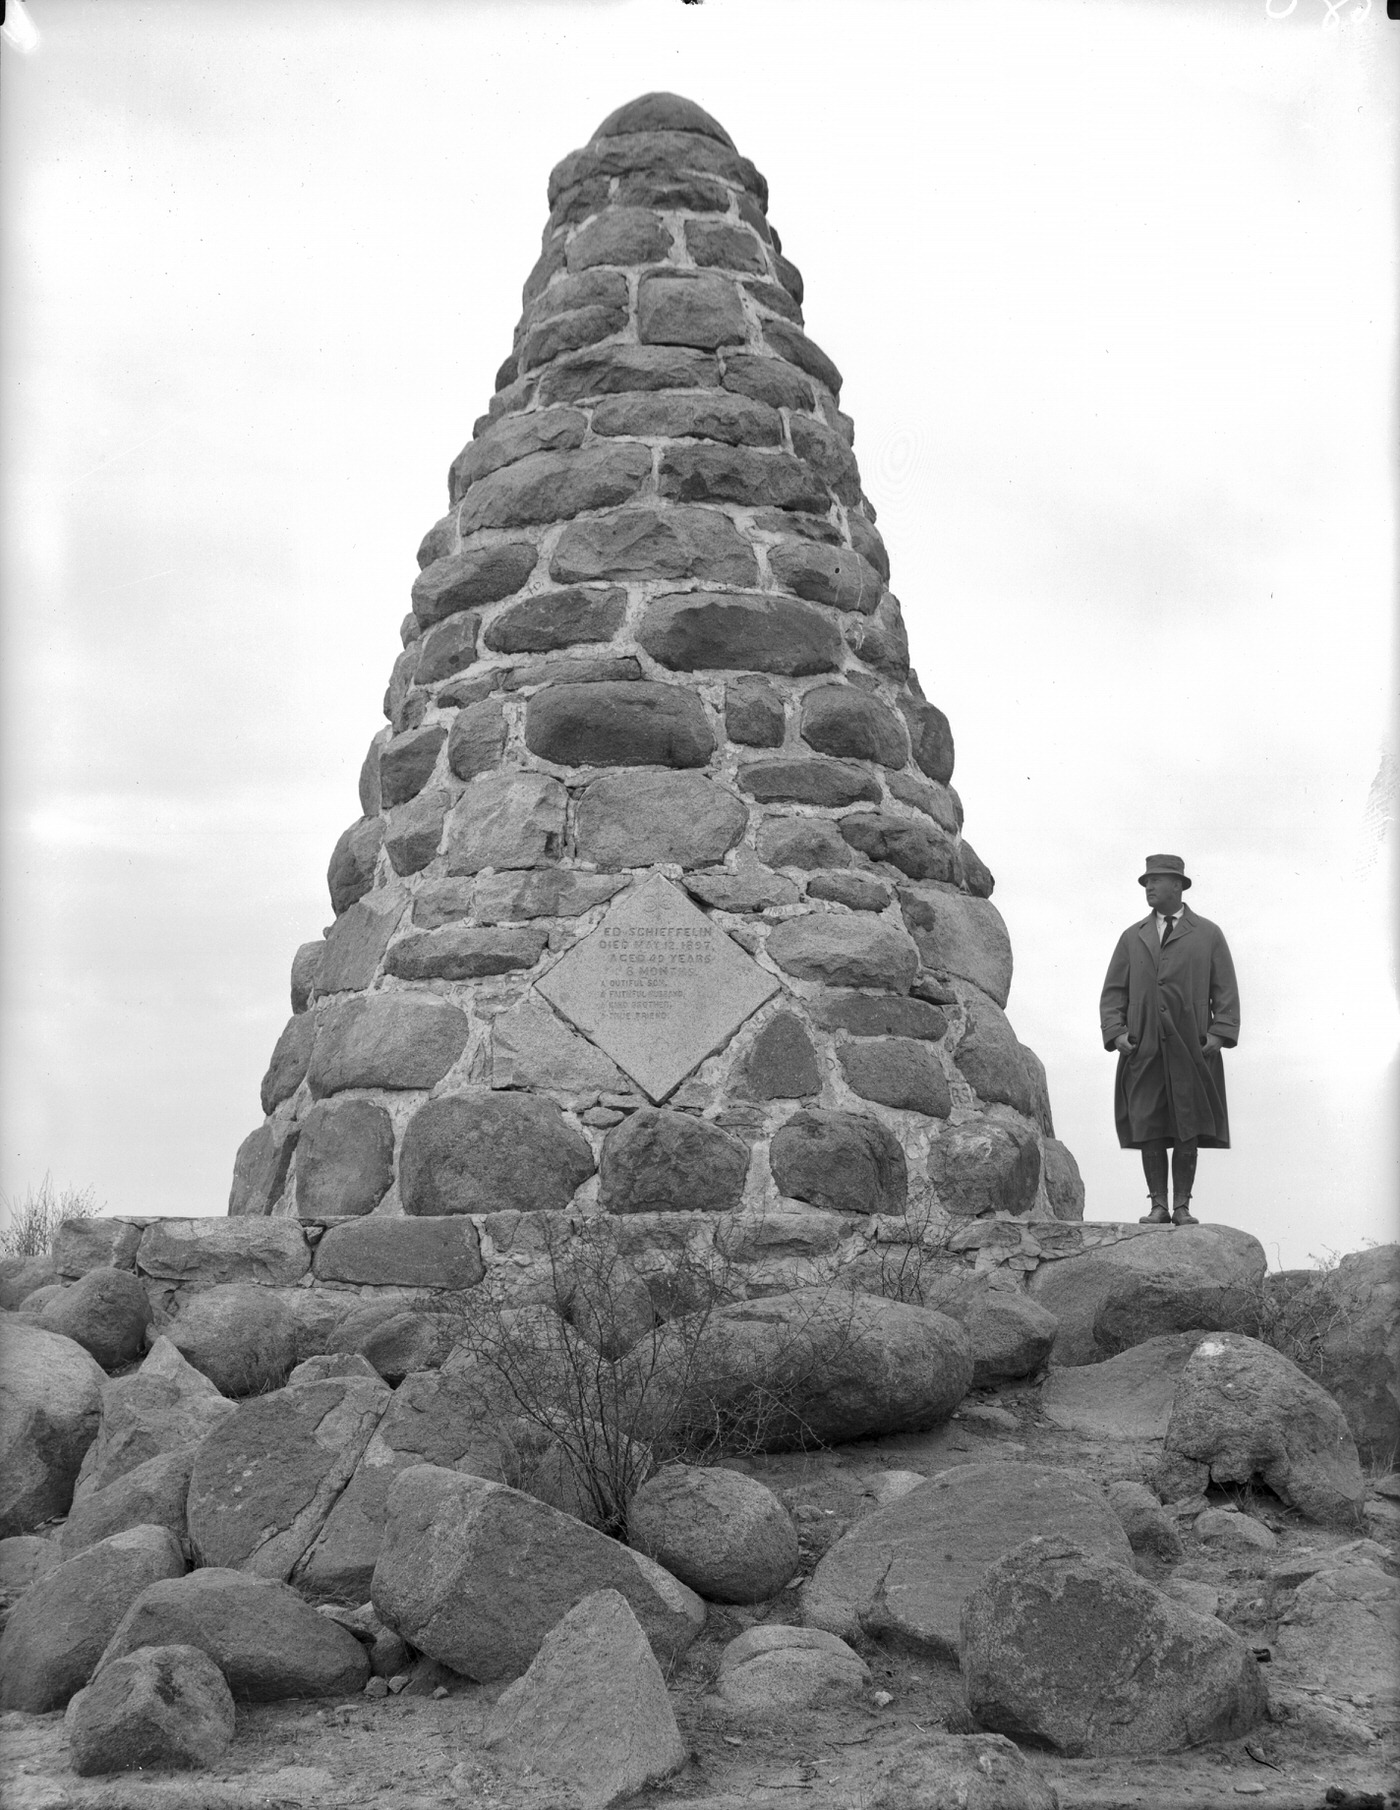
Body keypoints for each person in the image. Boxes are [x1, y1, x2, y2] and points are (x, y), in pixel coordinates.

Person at [1099, 854, 1239, 1226]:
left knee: (1187, 1124)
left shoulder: (1208, 933)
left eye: (1156, 881)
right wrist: (1116, 1035)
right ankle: (1157, 1206)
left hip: (1192, 1046)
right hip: (1143, 1047)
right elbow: (1113, 992)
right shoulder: (1132, 936)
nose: (1149, 887)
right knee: (1148, 1123)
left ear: (1177, 885)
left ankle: (1182, 1207)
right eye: (1146, 882)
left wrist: (1219, 1036)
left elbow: (1225, 990)